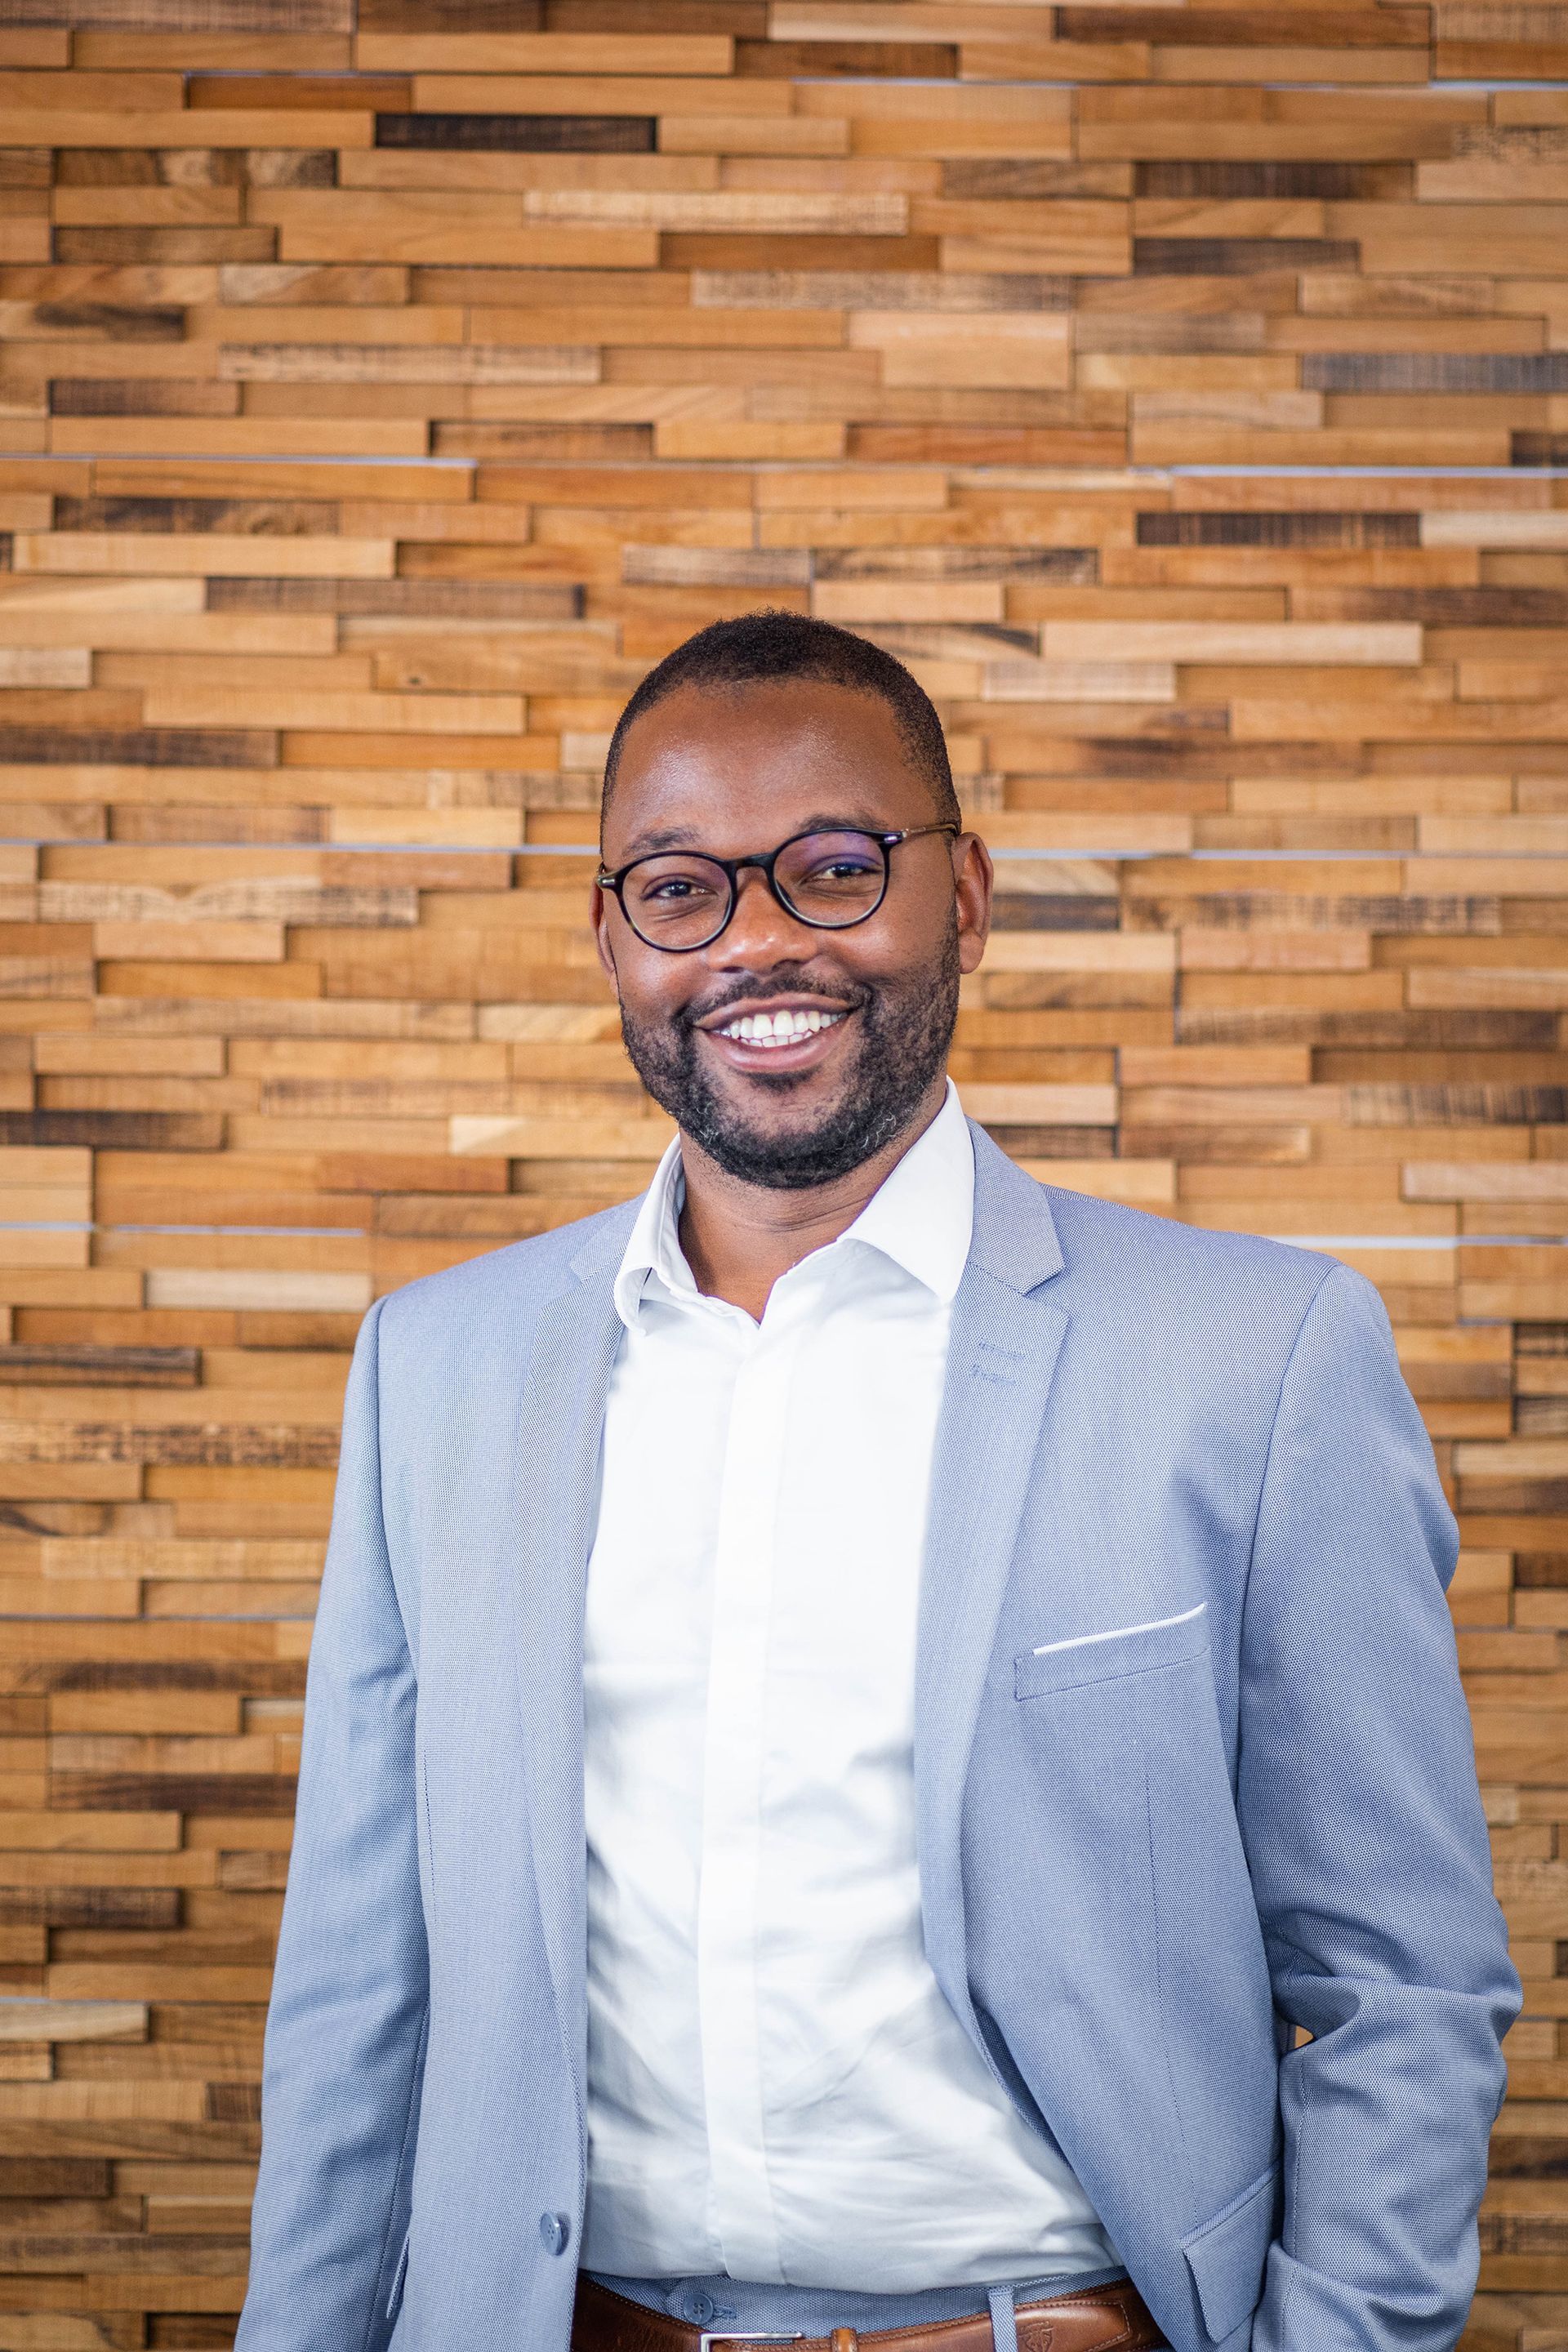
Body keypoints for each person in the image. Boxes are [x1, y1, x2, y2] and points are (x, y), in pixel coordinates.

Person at [234, 613, 1519, 2352]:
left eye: (836, 869)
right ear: (608, 935)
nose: (758, 939)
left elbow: (1399, 1987)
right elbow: (355, 2000)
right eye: (681, 888)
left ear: (967, 900)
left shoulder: (1257, 1359)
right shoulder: (438, 1369)